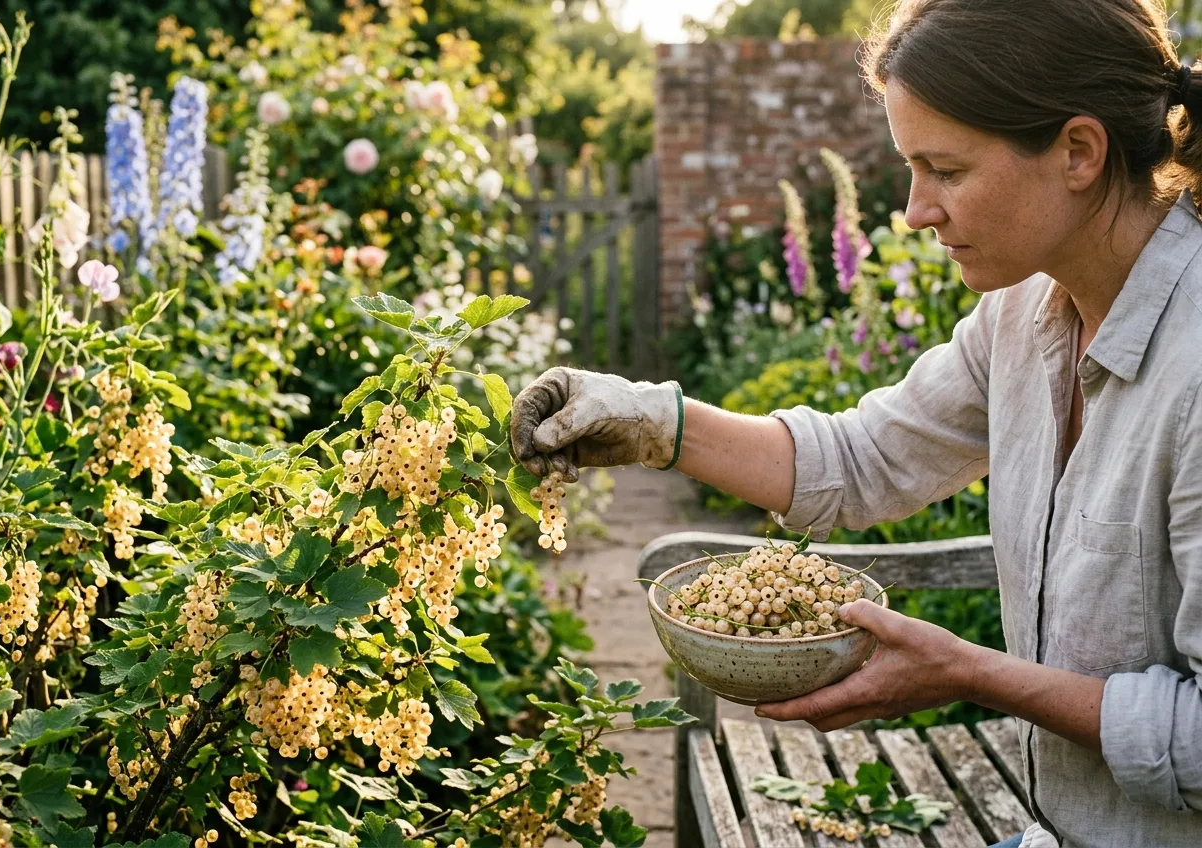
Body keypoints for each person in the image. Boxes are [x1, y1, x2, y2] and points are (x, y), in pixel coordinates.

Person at [508, 1, 1202, 846]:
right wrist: (654, 419)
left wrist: (970, 674)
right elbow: (865, 457)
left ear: (1079, 152)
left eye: (944, 169)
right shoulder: (1026, 313)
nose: (915, 211)